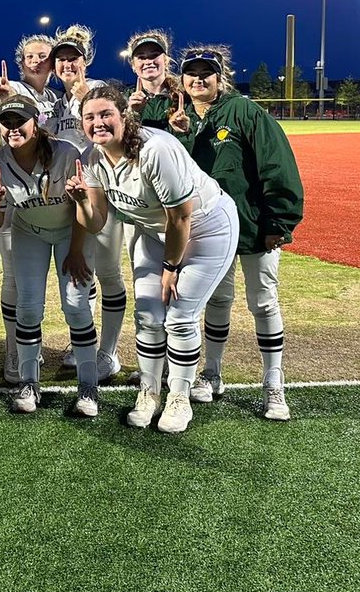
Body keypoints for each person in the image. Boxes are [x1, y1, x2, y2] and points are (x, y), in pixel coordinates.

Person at [69, 86, 239, 434]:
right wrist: (80, 201)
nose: (98, 123)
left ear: (123, 116)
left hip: (206, 227)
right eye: (90, 117)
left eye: (106, 115)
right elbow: (96, 221)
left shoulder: (155, 149)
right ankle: (149, 392)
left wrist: (171, 268)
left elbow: (181, 218)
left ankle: (179, 397)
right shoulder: (93, 159)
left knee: (179, 317)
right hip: (154, 230)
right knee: (147, 314)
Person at [168, 46, 304, 421]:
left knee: (262, 301)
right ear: (182, 78)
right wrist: (179, 133)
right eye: (191, 72)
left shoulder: (243, 111)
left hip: (253, 226)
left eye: (206, 72)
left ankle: (273, 383)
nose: (198, 78)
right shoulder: (178, 117)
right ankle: (211, 373)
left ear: (220, 76)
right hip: (209, 230)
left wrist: (280, 222)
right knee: (217, 301)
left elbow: (277, 164)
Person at [0, 95, 98, 416]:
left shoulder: (65, 152)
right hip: (29, 232)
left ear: (37, 124)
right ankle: (29, 383)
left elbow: (81, 206)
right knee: (29, 307)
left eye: (19, 121)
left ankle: (88, 388)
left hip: (70, 231)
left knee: (76, 305)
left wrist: (76, 250)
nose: (12, 128)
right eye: (5, 122)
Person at [47, 25, 128, 383]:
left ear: (85, 60)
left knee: (108, 271)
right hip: (69, 198)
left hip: (103, 192)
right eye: (61, 59)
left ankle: (108, 351)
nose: (67, 64)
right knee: (82, 273)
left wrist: (86, 97)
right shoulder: (53, 102)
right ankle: (82, 340)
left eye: (73, 58)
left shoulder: (96, 92)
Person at [0, 32, 57, 382]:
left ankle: (33, 344)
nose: (35, 61)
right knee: (15, 273)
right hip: (12, 187)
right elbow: (8, 132)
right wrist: (6, 96)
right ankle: (16, 351)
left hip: (49, 192)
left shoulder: (54, 98)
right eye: (29, 55)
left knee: (39, 279)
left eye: (42, 55)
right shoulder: (10, 88)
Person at [125, 29, 180, 125]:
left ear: (166, 60)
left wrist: (184, 130)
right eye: (141, 57)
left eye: (154, 55)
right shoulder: (123, 99)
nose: (148, 62)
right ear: (133, 65)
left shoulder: (183, 96)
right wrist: (133, 113)